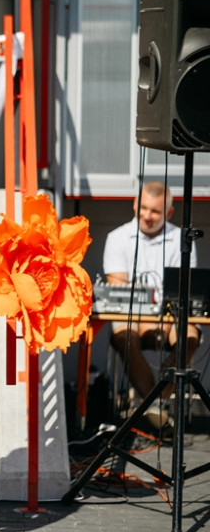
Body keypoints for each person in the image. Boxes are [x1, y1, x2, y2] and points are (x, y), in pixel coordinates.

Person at [103, 180, 200, 432]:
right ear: (135, 205)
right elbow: (116, 289)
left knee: (189, 336)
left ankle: (153, 404)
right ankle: (156, 406)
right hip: (132, 316)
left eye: (155, 211)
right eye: (143, 208)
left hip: (169, 316)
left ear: (168, 213)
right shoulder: (117, 238)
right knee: (125, 335)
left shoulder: (182, 239)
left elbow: (183, 288)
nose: (147, 216)